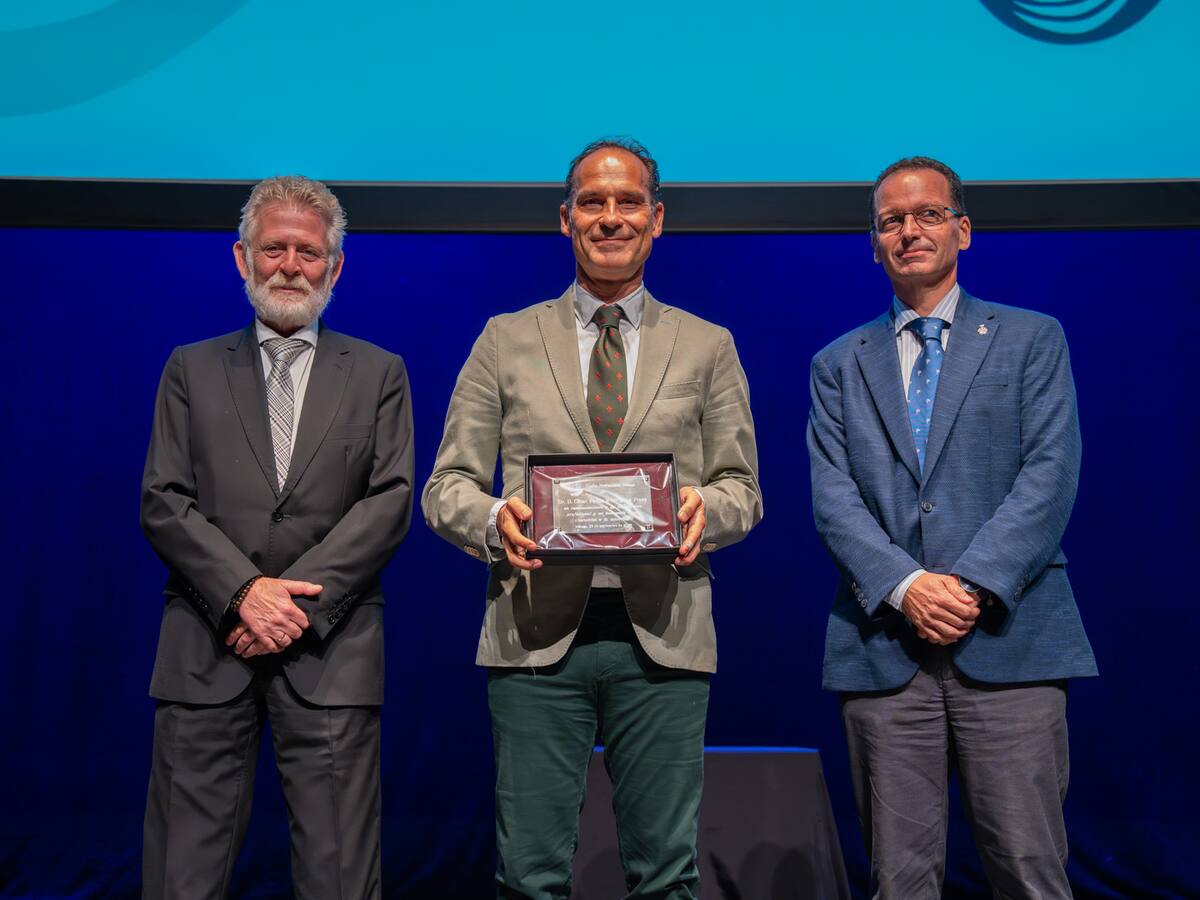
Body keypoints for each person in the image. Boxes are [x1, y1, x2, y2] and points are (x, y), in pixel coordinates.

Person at [423, 138, 762, 899]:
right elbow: (446, 484)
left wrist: (711, 508)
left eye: (628, 201)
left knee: (667, 876)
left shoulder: (708, 346)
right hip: (534, 638)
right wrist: (494, 519)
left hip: (666, 639)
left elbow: (744, 487)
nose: (611, 218)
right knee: (530, 876)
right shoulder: (505, 338)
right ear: (566, 219)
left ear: (658, 218)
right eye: (593, 202)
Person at [807, 156, 1098, 899]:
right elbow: (832, 497)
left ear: (962, 230)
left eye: (928, 214)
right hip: (884, 649)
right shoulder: (837, 363)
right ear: (874, 244)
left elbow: (1049, 476)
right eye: (891, 221)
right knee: (899, 880)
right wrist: (906, 587)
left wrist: (964, 587)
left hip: (1010, 637)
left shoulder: (1034, 339)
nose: (910, 231)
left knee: (1030, 872)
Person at [139, 175, 414, 899]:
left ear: (336, 266)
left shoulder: (380, 373)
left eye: (308, 251)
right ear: (241, 259)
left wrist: (290, 607)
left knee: (340, 875)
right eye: (274, 249)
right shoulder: (190, 369)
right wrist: (242, 594)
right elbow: (163, 500)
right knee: (182, 875)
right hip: (207, 643)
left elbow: (388, 503)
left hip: (332, 651)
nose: (290, 265)